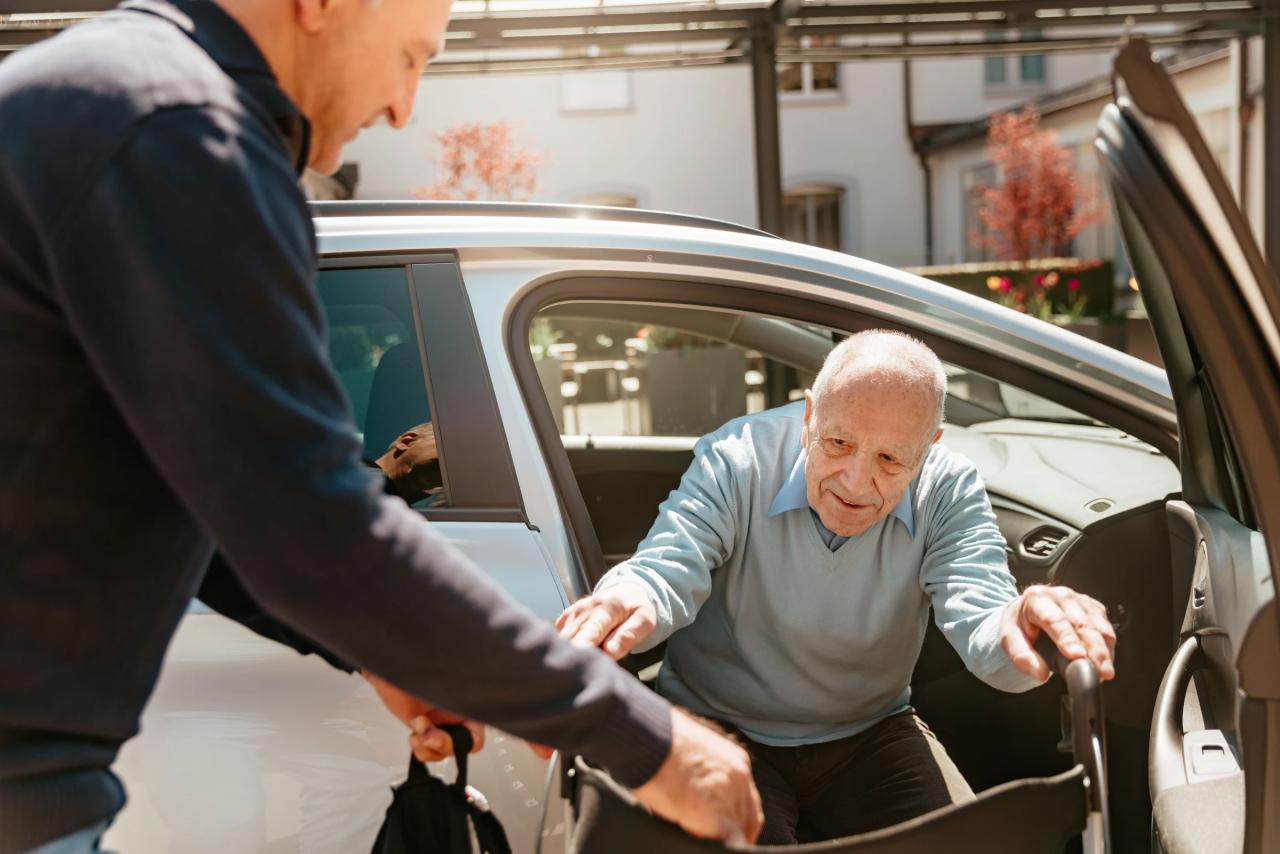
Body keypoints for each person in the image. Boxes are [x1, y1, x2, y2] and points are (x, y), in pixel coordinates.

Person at [0, 1, 761, 851]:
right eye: (411, 56)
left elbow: (220, 513)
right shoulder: (178, 132)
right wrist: (641, 736)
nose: (403, 108)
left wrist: (382, 651)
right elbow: (307, 517)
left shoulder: (120, 102)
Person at [557, 329, 1117, 844]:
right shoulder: (738, 458)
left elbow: (987, 627)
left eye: (890, 458)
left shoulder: (948, 489)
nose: (856, 482)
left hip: (871, 733)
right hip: (718, 728)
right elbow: (665, 567)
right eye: (839, 443)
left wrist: (1020, 622)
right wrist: (627, 596)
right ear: (808, 417)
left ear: (929, 446)